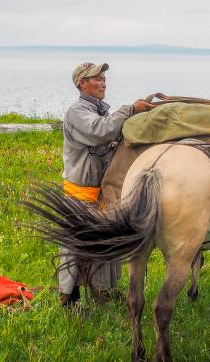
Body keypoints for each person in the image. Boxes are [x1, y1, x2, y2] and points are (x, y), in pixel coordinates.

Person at [60, 62, 155, 306]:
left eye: (104, 78)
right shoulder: (77, 112)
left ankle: (102, 291)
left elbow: (104, 141)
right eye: (97, 79)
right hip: (80, 194)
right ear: (82, 83)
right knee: (74, 245)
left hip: (98, 192)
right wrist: (130, 110)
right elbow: (99, 132)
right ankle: (68, 297)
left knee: (103, 241)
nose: (103, 82)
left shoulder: (99, 110)